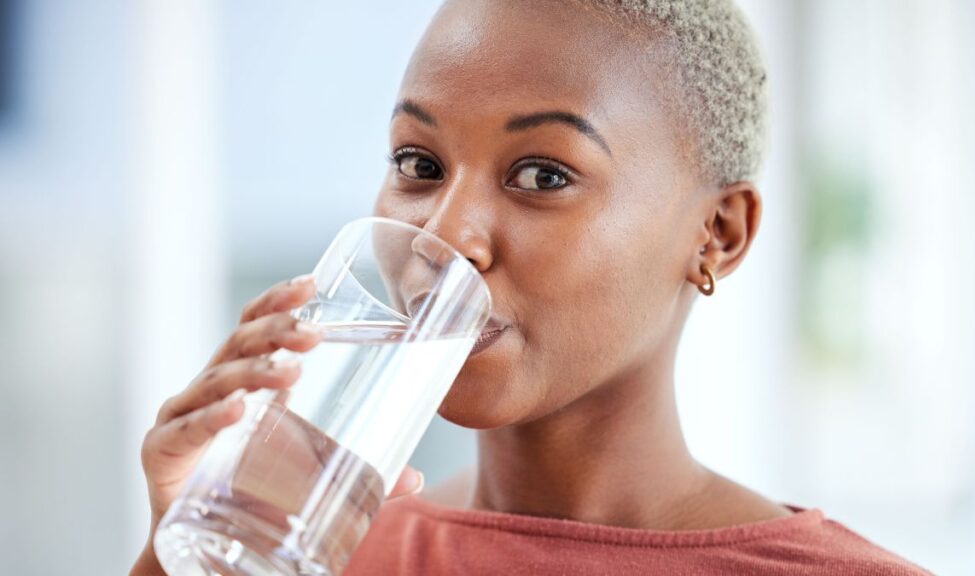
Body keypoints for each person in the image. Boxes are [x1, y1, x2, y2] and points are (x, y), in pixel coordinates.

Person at [132, 0, 931, 574]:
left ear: (716, 234)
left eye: (542, 174)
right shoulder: (312, 553)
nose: (443, 237)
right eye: (420, 164)